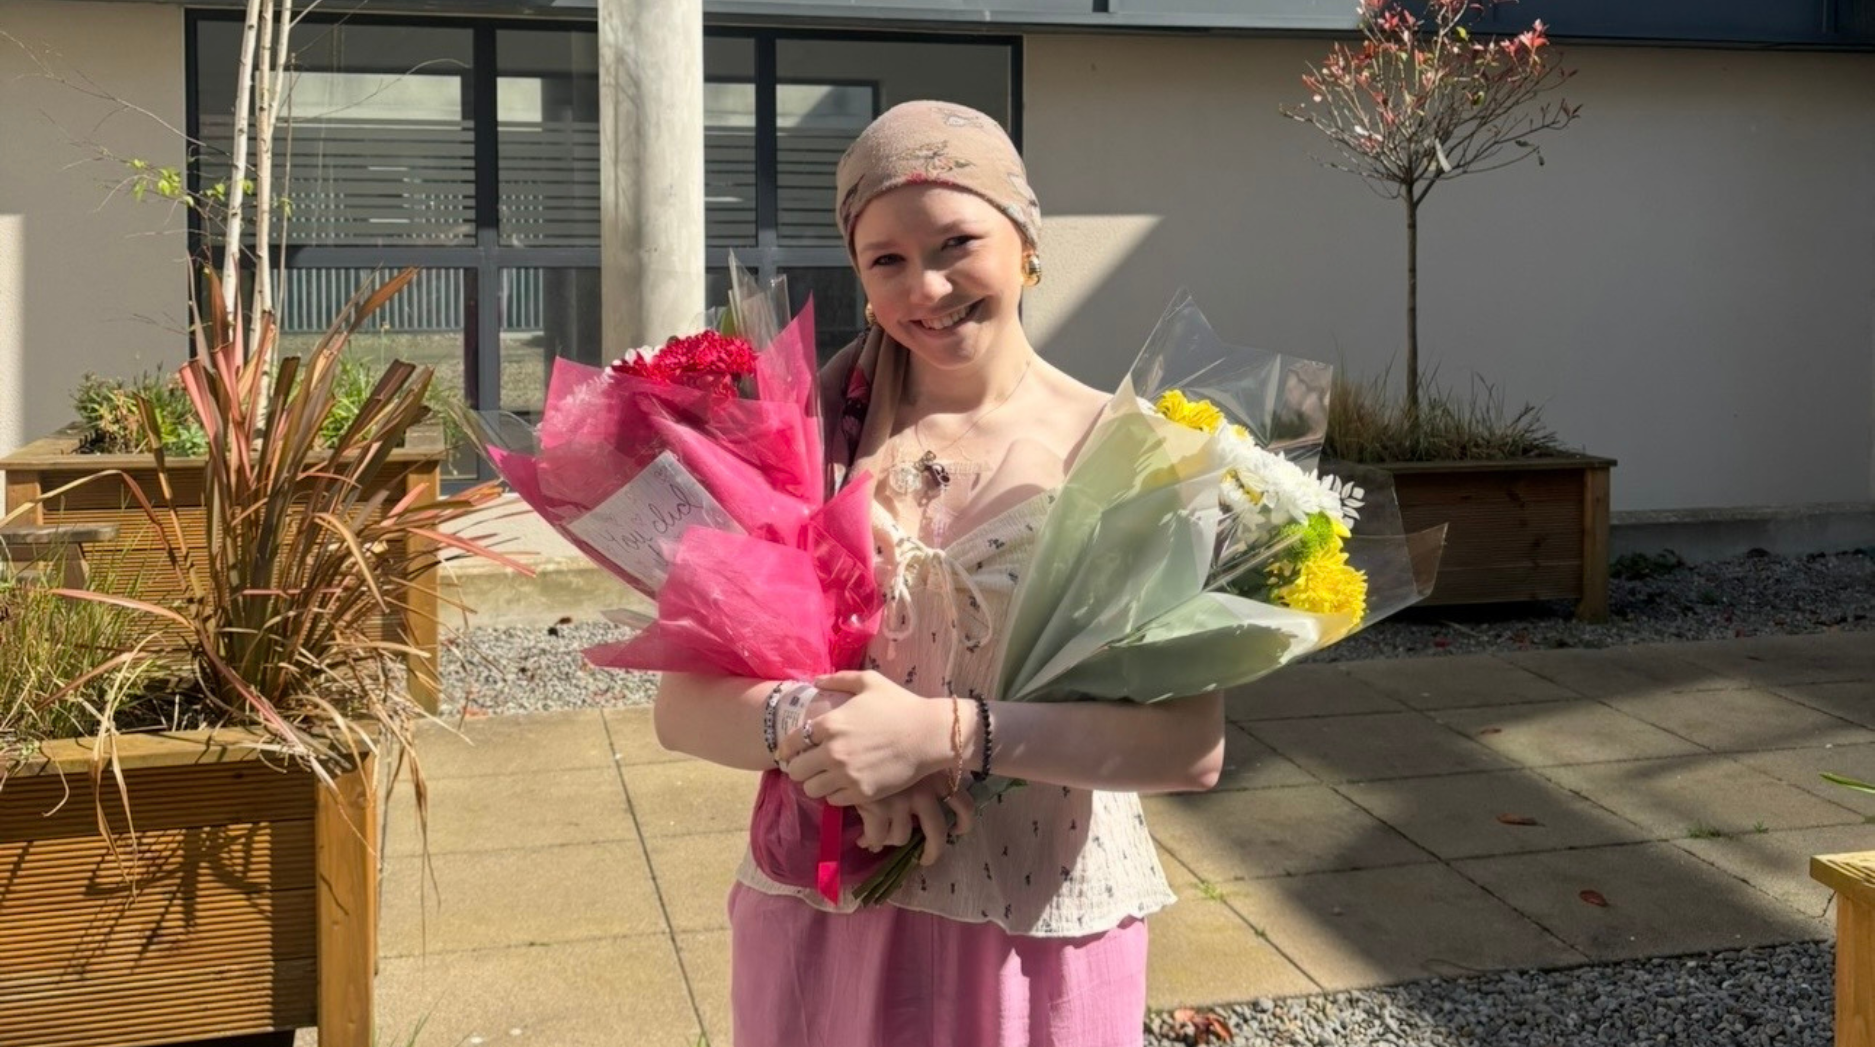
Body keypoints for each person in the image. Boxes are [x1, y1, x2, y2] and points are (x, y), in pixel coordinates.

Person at [653, 100, 1226, 1047]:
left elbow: (1188, 747)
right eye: (886, 259)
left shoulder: (1131, 451)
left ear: (1025, 242)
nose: (925, 285)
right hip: (824, 910)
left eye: (957, 241)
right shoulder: (801, 443)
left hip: (1037, 926)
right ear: (861, 279)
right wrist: (817, 728)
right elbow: (682, 706)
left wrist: (942, 735)